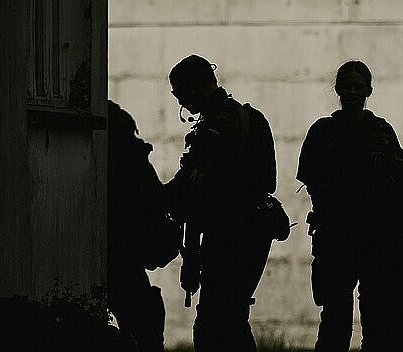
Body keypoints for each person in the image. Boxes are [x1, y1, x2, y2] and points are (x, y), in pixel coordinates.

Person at [165, 55, 277, 351]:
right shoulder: (250, 119)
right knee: (232, 315)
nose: (181, 103)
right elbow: (268, 183)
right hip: (254, 233)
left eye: (179, 95)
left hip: (228, 238)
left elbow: (192, 196)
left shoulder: (213, 129)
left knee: (216, 324)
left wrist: (155, 198)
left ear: (191, 90)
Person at [297, 61, 403, 351]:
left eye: (359, 86)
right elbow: (312, 181)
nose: (353, 92)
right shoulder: (323, 132)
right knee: (334, 323)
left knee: (380, 323)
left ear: (368, 90)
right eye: (347, 86)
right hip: (336, 240)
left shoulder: (381, 132)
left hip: (377, 242)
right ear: (338, 90)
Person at [107, 100, 181, 352]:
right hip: (126, 251)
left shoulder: (123, 159)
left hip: (122, 250)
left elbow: (151, 200)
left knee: (139, 317)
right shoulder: (133, 156)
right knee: (142, 318)